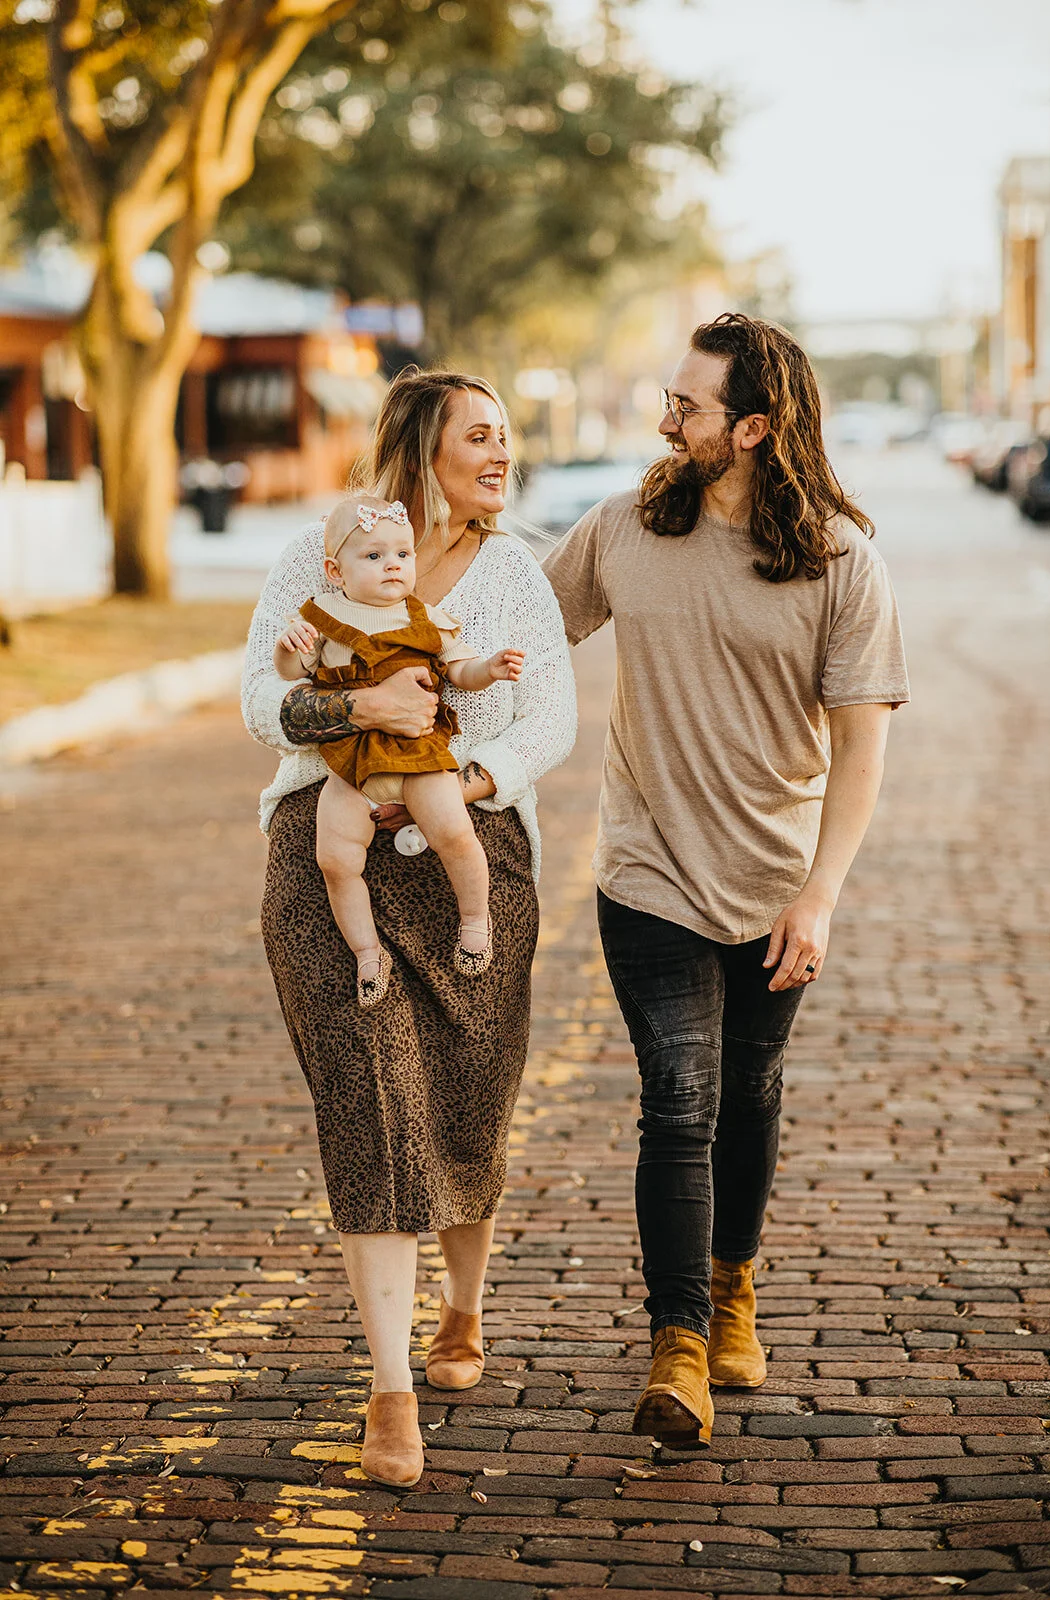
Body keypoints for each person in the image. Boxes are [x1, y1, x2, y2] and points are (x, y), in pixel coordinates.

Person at [543, 312, 909, 1448]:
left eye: (686, 406)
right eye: (670, 399)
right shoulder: (622, 528)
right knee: (678, 1098)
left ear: (751, 428)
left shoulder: (840, 561)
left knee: (748, 1095)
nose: (666, 421)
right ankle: (679, 1346)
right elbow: (517, 635)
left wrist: (819, 895)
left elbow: (860, 748)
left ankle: (733, 1283)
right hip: (646, 871)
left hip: (774, 881)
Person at [243, 369, 576, 1488]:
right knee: (369, 1100)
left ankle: (462, 1305)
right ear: (421, 447)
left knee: (470, 1095)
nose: (501, 453)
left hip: (471, 851)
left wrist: (461, 784)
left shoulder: (514, 573)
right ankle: (389, 1386)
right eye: (479, 435)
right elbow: (260, 697)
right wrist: (358, 711)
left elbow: (551, 716)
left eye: (505, 435)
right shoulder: (317, 557)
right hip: (327, 857)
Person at [273, 491, 525, 1005]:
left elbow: (461, 670)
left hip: (419, 757)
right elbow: (290, 674)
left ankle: (475, 919)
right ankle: (368, 953)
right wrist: (288, 645)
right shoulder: (322, 618)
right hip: (352, 765)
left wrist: (490, 668)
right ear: (336, 571)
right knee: (335, 859)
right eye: (374, 555)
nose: (393, 565)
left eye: (402, 554)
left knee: (454, 831)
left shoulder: (426, 619)